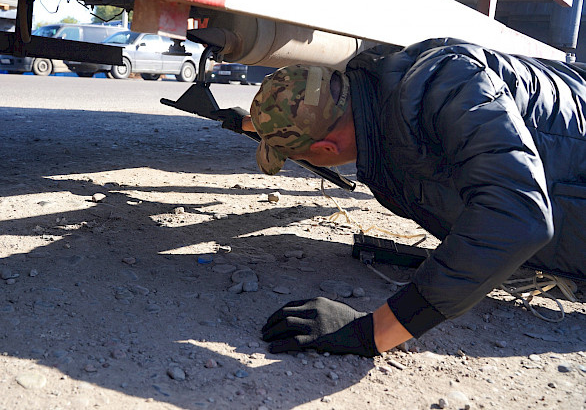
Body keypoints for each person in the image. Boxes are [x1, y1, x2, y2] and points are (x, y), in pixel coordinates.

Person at [220, 38, 586, 357]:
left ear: (327, 147)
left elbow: (516, 218)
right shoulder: (386, 94)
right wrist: (248, 122)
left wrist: (374, 332)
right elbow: (310, 112)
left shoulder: (449, 84)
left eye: (297, 157)